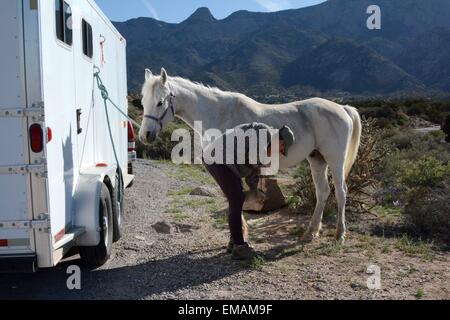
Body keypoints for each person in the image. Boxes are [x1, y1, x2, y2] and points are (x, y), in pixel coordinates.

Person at [203, 123, 295, 260]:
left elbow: (252, 170)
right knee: (237, 198)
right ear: (280, 141)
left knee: (236, 199)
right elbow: (253, 160)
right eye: (282, 148)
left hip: (225, 163)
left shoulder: (265, 145)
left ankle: (235, 241)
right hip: (217, 159)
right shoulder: (263, 133)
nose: (280, 152)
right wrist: (264, 161)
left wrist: (254, 190)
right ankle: (239, 247)